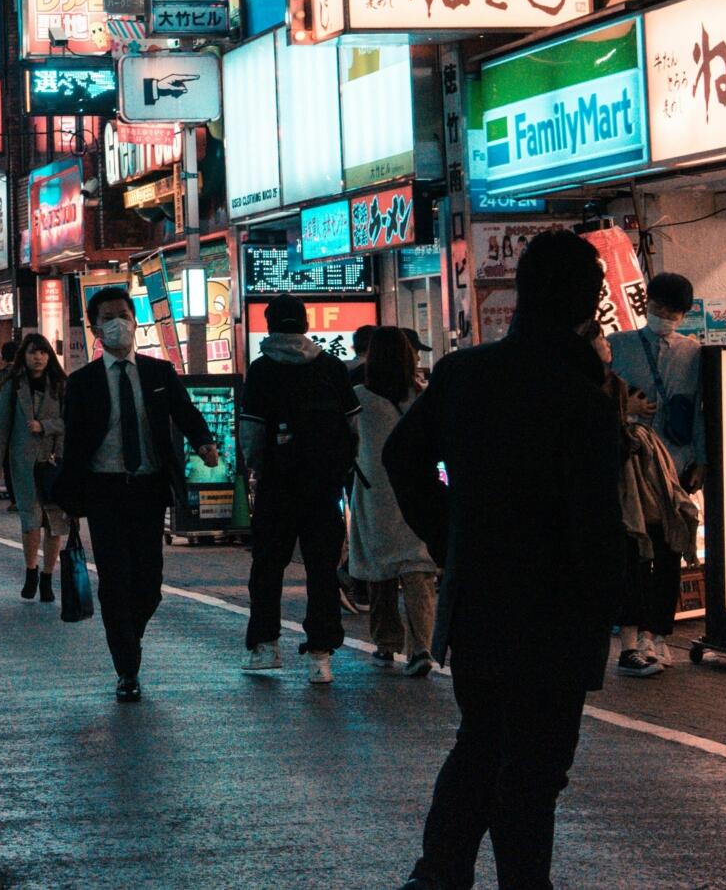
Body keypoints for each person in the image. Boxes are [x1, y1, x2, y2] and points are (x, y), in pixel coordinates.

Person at [383, 231, 626, 890]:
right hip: (556, 607)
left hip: (480, 596)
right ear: (587, 301)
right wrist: (616, 600)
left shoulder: (465, 374)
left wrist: (448, 533)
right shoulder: (584, 400)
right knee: (534, 766)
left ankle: (440, 873)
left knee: (482, 743)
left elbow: (402, 457)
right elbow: (596, 523)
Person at [54, 288, 220, 702]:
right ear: (95, 328)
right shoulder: (82, 382)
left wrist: (203, 441)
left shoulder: (159, 373)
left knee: (149, 583)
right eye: (108, 317)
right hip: (104, 491)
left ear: (134, 320)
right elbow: (74, 446)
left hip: (149, 490)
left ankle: (130, 634)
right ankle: (127, 667)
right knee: (115, 580)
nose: (118, 324)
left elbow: (186, 413)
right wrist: (66, 500)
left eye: (124, 315)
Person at [236, 296, 357, 681]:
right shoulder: (331, 366)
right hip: (324, 487)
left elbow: (252, 433)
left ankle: (265, 647)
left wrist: (257, 469)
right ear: (305, 325)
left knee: (268, 566)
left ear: (270, 326)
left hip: (278, 484)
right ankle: (321, 656)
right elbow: (354, 427)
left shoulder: (261, 370)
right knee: (322, 570)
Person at [608, 270, 704, 669]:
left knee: (669, 552)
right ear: (647, 302)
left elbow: (700, 407)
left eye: (675, 311)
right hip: (630, 464)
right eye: (662, 307)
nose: (667, 316)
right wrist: (624, 409)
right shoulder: (618, 346)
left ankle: (658, 634)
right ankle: (631, 638)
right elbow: (599, 399)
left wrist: (701, 459)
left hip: (675, 467)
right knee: (631, 550)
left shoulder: (694, 352)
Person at [350, 326, 439, 677]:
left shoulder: (358, 397)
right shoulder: (422, 398)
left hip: (375, 494)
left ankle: (386, 643)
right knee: (418, 570)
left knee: (379, 570)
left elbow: (348, 441)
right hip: (417, 493)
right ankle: (423, 647)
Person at [0, 332, 69, 602]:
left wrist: (44, 426)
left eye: (43, 352)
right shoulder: (13, 387)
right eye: (33, 352)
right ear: (24, 355)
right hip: (23, 463)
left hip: (54, 462)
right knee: (31, 521)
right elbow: (1, 428)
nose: (38, 357)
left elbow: (71, 422)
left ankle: (47, 577)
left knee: (55, 523)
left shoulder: (60, 385)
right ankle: (31, 571)